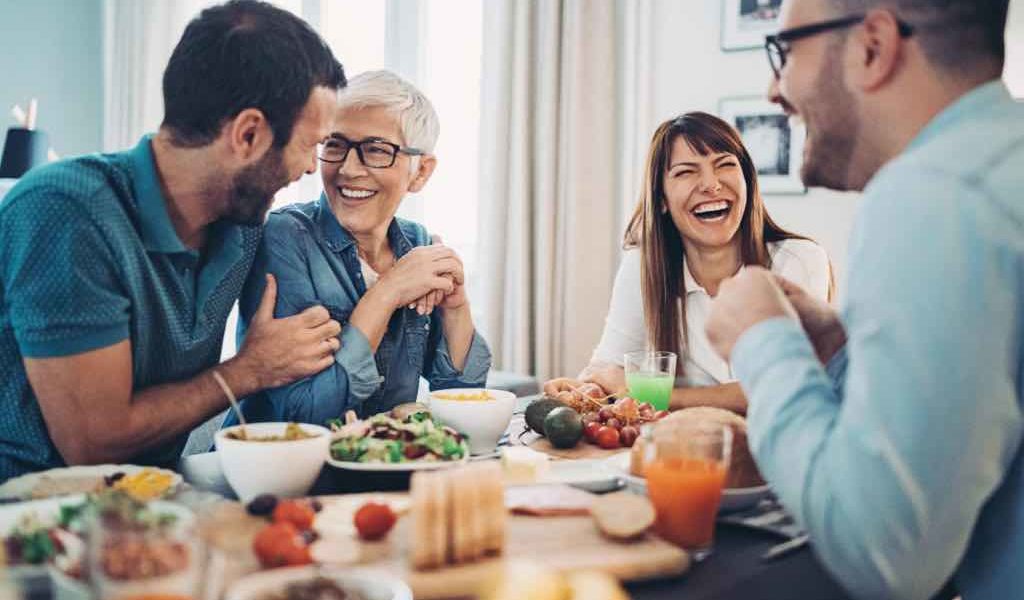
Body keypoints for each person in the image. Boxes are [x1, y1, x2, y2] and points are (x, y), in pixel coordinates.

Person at [705, 0, 1021, 598]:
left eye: (785, 52)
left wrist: (760, 340)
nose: (775, 89)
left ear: (873, 46)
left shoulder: (934, 193)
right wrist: (835, 346)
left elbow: (885, 554)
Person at [0, 0, 347, 480]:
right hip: (32, 516)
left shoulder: (242, 222)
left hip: (156, 503)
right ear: (248, 135)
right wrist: (249, 370)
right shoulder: (65, 210)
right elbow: (93, 442)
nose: (312, 167)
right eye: (309, 145)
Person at [224, 70, 491, 427]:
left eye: (376, 150)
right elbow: (303, 417)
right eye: (335, 145)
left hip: (378, 471)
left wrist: (456, 307)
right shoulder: (282, 237)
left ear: (421, 172)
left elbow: (462, 404)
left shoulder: (418, 246)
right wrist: (387, 292)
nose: (348, 169)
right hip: (276, 473)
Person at [545, 112, 830, 414]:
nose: (711, 184)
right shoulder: (643, 265)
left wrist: (650, 395)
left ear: (748, 180)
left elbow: (784, 387)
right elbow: (609, 367)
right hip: (677, 450)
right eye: (686, 172)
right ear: (662, 199)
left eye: (725, 165)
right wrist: (587, 389)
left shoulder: (798, 260)